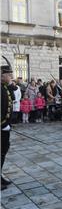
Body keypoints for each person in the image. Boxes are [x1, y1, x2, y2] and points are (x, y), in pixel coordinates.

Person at [1, 57, 13, 190]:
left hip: (4, 127)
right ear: (2, 75)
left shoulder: (4, 87)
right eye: (8, 75)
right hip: (1, 127)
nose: (11, 77)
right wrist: (3, 124)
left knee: (3, 152)